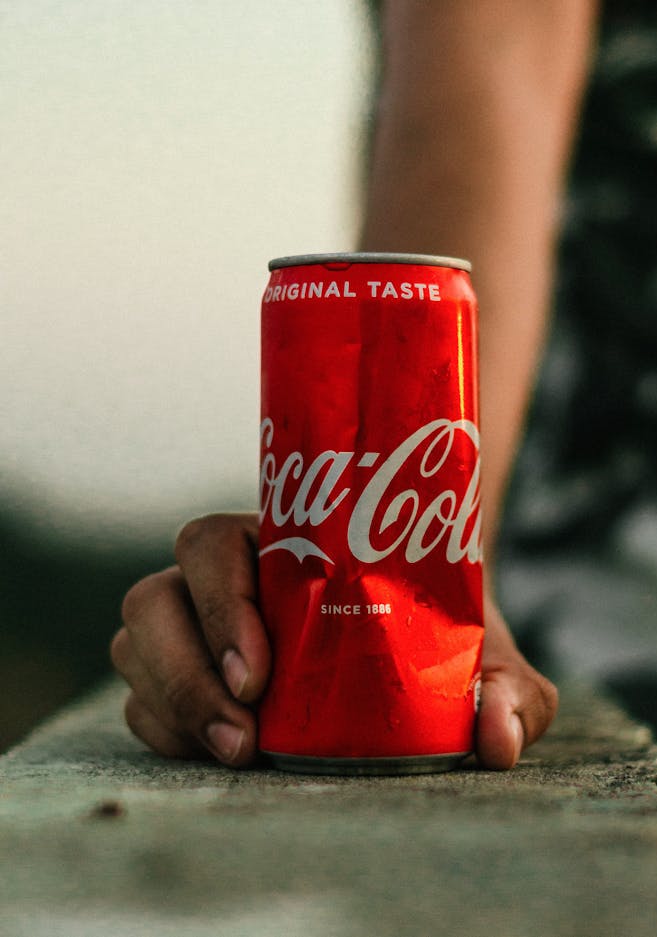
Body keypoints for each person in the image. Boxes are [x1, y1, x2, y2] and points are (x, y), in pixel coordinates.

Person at [110, 0, 600, 769]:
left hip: (638, 628)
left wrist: (412, 580)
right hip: (575, 620)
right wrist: (361, 584)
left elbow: (490, 62)